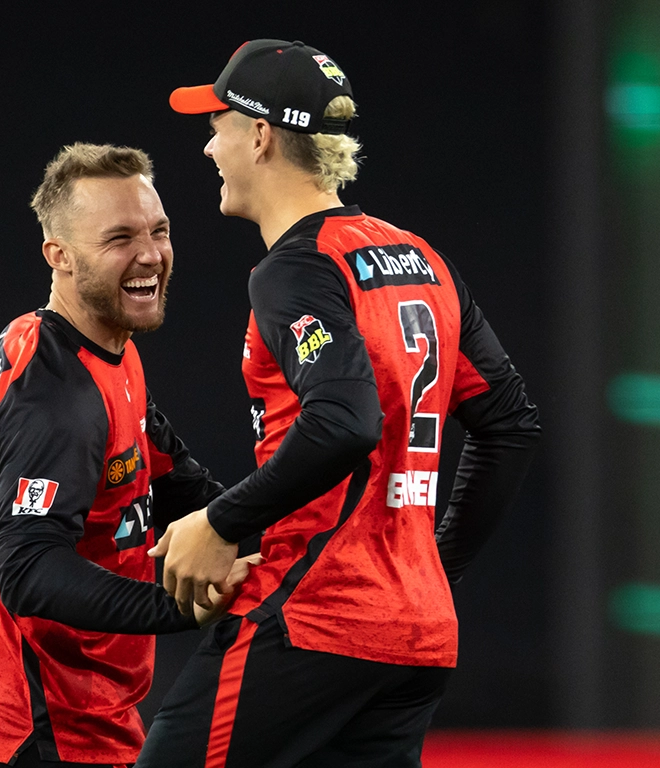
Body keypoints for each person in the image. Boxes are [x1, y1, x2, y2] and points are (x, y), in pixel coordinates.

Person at [137, 40, 542, 767]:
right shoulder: (421, 259)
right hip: (416, 638)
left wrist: (220, 521)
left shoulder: (294, 269)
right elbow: (509, 426)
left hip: (315, 615)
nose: (208, 148)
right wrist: (431, 568)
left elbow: (345, 421)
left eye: (218, 126)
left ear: (260, 135)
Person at [0, 142, 258, 768]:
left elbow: (176, 477)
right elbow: (29, 570)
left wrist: (300, 537)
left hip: (42, 723)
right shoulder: (58, 396)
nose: (151, 254)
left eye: (159, 230)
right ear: (60, 257)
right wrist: (178, 606)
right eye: (120, 238)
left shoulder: (101, 351)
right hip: (29, 729)